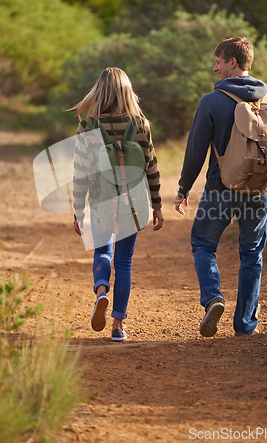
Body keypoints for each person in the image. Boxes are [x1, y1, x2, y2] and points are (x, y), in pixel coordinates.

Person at [174, 37, 267, 337]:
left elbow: (196, 151)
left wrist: (184, 189)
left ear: (233, 62)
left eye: (218, 62)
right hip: (258, 190)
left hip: (219, 190)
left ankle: (213, 297)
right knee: (252, 254)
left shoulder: (211, 102)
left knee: (202, 244)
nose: (215, 68)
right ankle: (245, 325)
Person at [72, 67, 164, 341]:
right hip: (133, 203)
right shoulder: (140, 124)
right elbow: (151, 168)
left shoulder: (89, 125)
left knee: (102, 251)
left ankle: (101, 291)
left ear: (98, 92)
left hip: (101, 200)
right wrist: (157, 206)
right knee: (124, 262)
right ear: (127, 91)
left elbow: (81, 172)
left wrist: (77, 210)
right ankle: (118, 326)